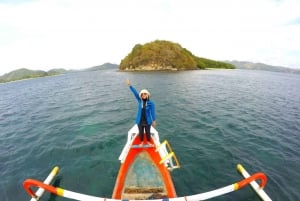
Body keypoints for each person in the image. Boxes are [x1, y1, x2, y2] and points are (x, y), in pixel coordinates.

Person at [126, 79, 157, 146]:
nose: (143, 95)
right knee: (141, 132)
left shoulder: (151, 103)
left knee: (148, 132)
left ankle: (148, 142)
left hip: (147, 121)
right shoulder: (140, 101)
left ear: (147, 95)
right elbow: (135, 93)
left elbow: (153, 112)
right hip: (140, 120)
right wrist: (130, 85)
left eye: (145, 94)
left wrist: (154, 120)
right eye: (142, 94)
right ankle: (142, 142)